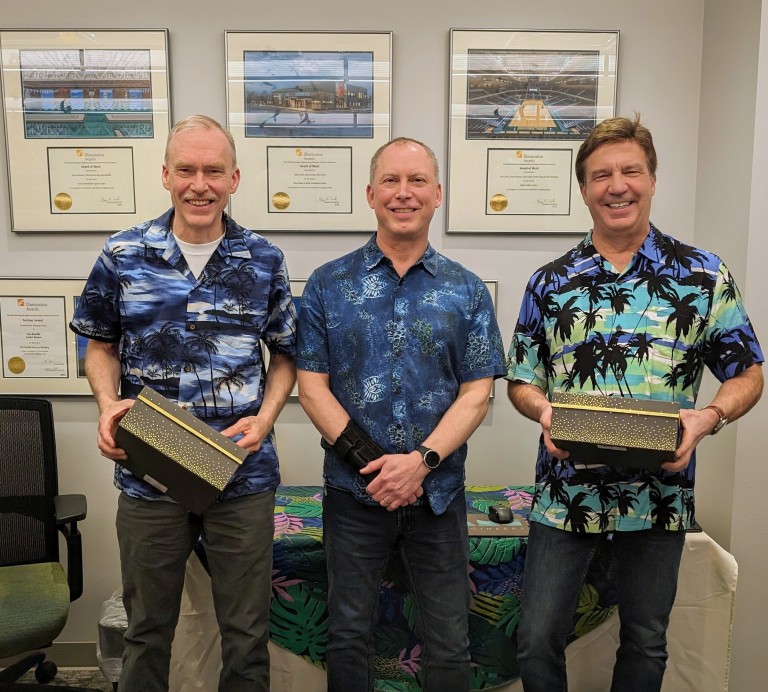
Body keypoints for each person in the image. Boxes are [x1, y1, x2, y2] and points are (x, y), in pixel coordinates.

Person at [506, 115, 764, 692]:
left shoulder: (702, 275)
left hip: (661, 495)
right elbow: (521, 380)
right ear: (583, 189)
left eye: (630, 171)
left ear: (652, 180)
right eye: (601, 175)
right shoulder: (551, 282)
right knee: (536, 639)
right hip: (565, 493)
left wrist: (708, 417)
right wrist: (545, 411)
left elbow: (748, 371)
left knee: (646, 641)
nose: (616, 185)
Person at [70, 114, 297, 692]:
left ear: (235, 179)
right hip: (150, 467)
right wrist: (105, 405)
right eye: (187, 169)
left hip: (239, 470)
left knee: (247, 634)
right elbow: (98, 344)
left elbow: (287, 355)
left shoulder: (263, 259)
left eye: (213, 170)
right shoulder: (124, 253)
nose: (200, 183)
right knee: (146, 630)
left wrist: (267, 418)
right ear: (166, 175)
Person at [296, 136, 506, 691]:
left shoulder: (466, 291)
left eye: (417, 181)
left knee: (448, 639)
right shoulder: (326, 285)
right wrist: (377, 467)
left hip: (438, 495)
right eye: (391, 180)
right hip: (353, 495)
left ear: (437, 194)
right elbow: (311, 387)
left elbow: (477, 393)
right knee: (346, 636)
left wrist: (419, 463)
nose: (404, 193)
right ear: (370, 193)